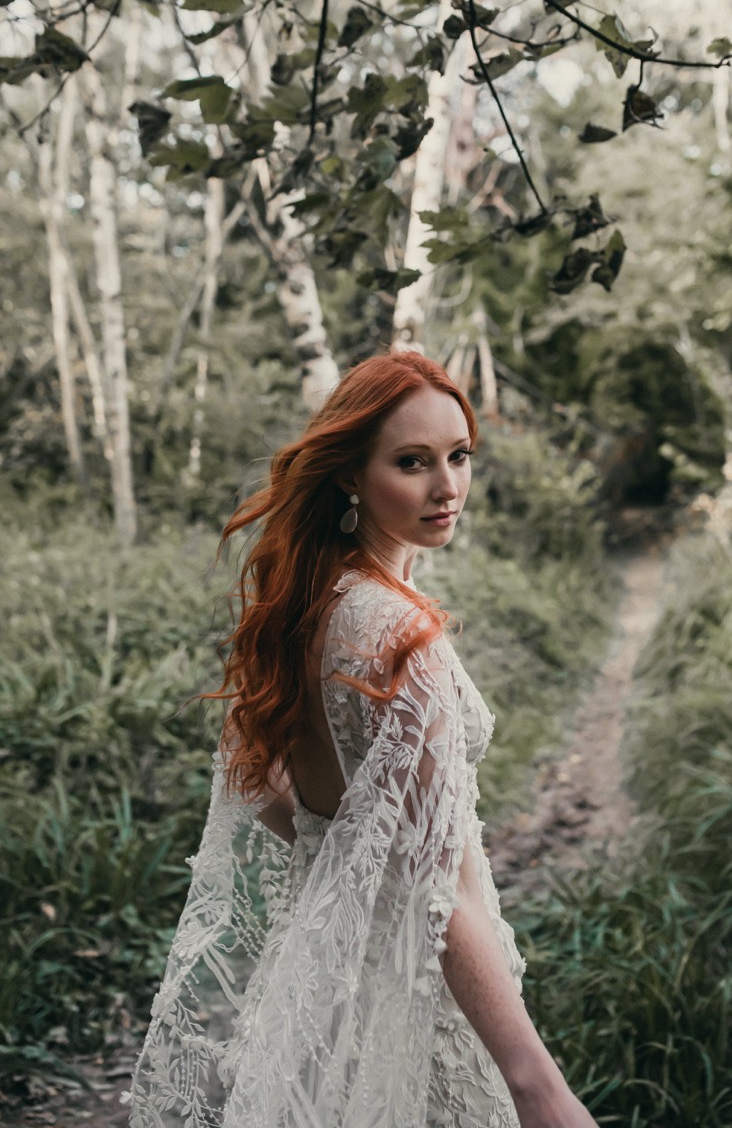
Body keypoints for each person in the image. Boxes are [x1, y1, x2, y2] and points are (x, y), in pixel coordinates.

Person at [125, 350, 599, 1128]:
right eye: (411, 463)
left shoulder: (310, 604)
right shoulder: (401, 637)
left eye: (458, 456)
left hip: (323, 984)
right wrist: (536, 1086)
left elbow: (260, 780)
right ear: (349, 474)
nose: (446, 487)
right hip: (418, 991)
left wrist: (340, 850)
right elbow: (434, 886)